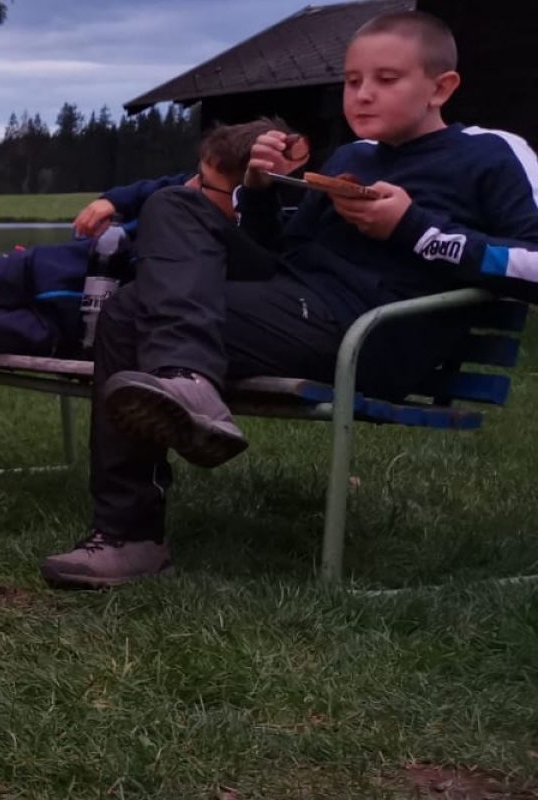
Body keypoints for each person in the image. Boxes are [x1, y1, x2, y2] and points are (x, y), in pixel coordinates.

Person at [40, 11, 538, 589]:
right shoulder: (353, 159)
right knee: (171, 214)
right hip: (301, 306)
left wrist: (413, 228)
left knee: (134, 312)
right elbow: (283, 256)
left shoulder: (491, 153)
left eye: (386, 79)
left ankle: (138, 515)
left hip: (370, 333)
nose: (364, 95)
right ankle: (148, 490)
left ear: (441, 87)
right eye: (353, 81)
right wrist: (258, 194)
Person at [0, 119, 293, 357]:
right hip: (40, 270)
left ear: (241, 202)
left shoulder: (231, 248)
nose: (187, 186)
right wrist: (110, 200)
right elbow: (157, 186)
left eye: (202, 181)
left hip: (66, 328)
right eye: (194, 173)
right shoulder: (187, 194)